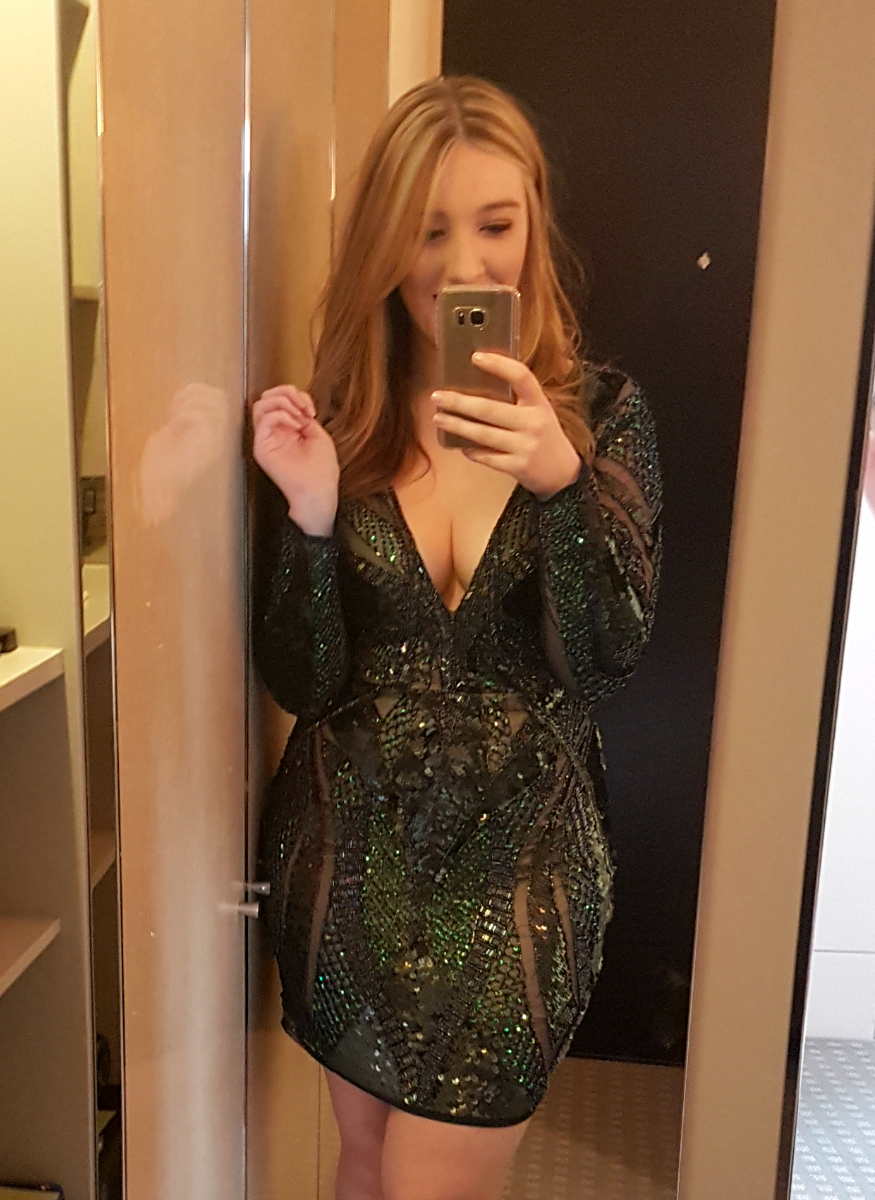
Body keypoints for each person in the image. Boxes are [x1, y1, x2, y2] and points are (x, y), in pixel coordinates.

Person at [251, 75, 661, 1200]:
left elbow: (608, 658)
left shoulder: (605, 418)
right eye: (429, 230)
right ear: (384, 243)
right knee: (366, 1162)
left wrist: (564, 486)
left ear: (534, 228)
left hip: (519, 878)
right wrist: (310, 518)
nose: (466, 263)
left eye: (496, 223)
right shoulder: (343, 420)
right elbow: (302, 678)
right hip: (347, 867)